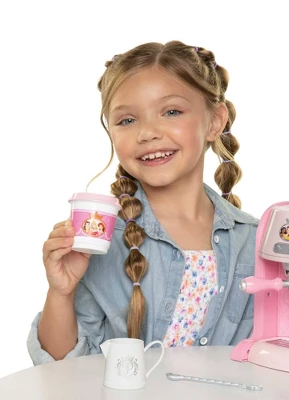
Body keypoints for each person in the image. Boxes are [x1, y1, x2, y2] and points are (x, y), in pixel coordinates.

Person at [27, 40, 258, 365]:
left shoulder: (253, 239)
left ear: (215, 121)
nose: (147, 133)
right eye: (127, 120)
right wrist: (61, 292)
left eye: (172, 112)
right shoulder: (102, 238)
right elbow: (60, 368)